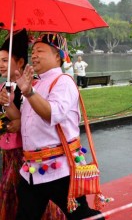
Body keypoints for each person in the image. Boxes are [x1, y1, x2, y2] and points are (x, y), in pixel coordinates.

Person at [1, 33, 103, 219]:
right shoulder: (35, 84)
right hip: (31, 169)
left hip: (60, 169)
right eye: (33, 51)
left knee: (80, 216)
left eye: (40, 50)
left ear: (58, 56)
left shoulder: (63, 82)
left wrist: (29, 92)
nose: (34, 55)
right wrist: (8, 103)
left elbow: (51, 114)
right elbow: (23, 121)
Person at [0, 30, 65, 219]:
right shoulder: (5, 87)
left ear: (20, 62)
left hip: (29, 153)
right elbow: (11, 117)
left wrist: (18, 119)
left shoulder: (34, 85)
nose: (1, 65)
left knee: (35, 200)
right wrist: (6, 107)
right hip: (9, 152)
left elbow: (33, 117)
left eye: (5, 60)